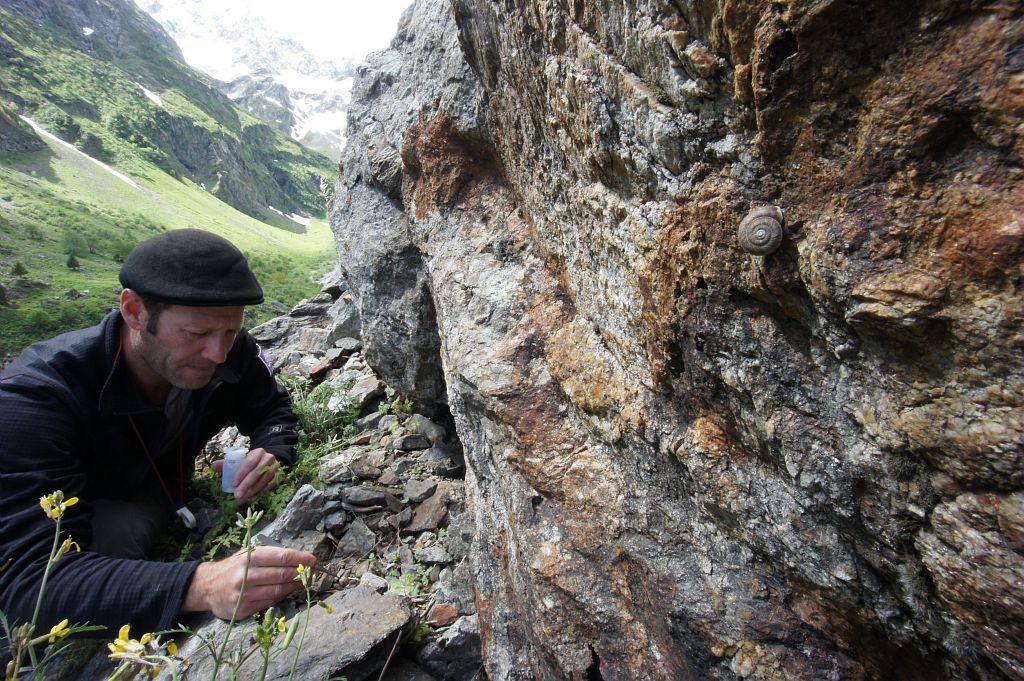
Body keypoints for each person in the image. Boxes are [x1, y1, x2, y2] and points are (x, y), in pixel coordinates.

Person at [0, 229, 316, 638]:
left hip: (158, 500)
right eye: (197, 334)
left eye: (230, 332)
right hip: (88, 522)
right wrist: (201, 585)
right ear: (134, 311)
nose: (217, 354)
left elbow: (273, 409)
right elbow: (32, 583)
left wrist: (272, 450)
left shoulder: (225, 349)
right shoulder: (35, 399)